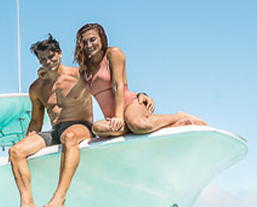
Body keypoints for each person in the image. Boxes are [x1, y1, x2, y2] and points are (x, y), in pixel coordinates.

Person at [7, 34, 94, 207]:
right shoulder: (37, 88)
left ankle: (59, 196)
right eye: (43, 59)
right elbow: (35, 121)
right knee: (15, 151)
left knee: (69, 136)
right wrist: (26, 144)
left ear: (60, 53)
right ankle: (27, 204)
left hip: (81, 127)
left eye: (51, 56)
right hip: (56, 131)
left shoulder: (80, 75)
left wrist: (139, 97)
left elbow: (110, 86)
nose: (48, 61)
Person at [74, 23, 205, 137]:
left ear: (102, 39)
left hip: (129, 105)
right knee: (97, 128)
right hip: (113, 117)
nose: (89, 45)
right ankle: (139, 127)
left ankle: (178, 117)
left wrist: (119, 117)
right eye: (84, 42)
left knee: (138, 124)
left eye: (92, 40)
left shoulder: (113, 54)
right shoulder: (83, 72)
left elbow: (118, 86)